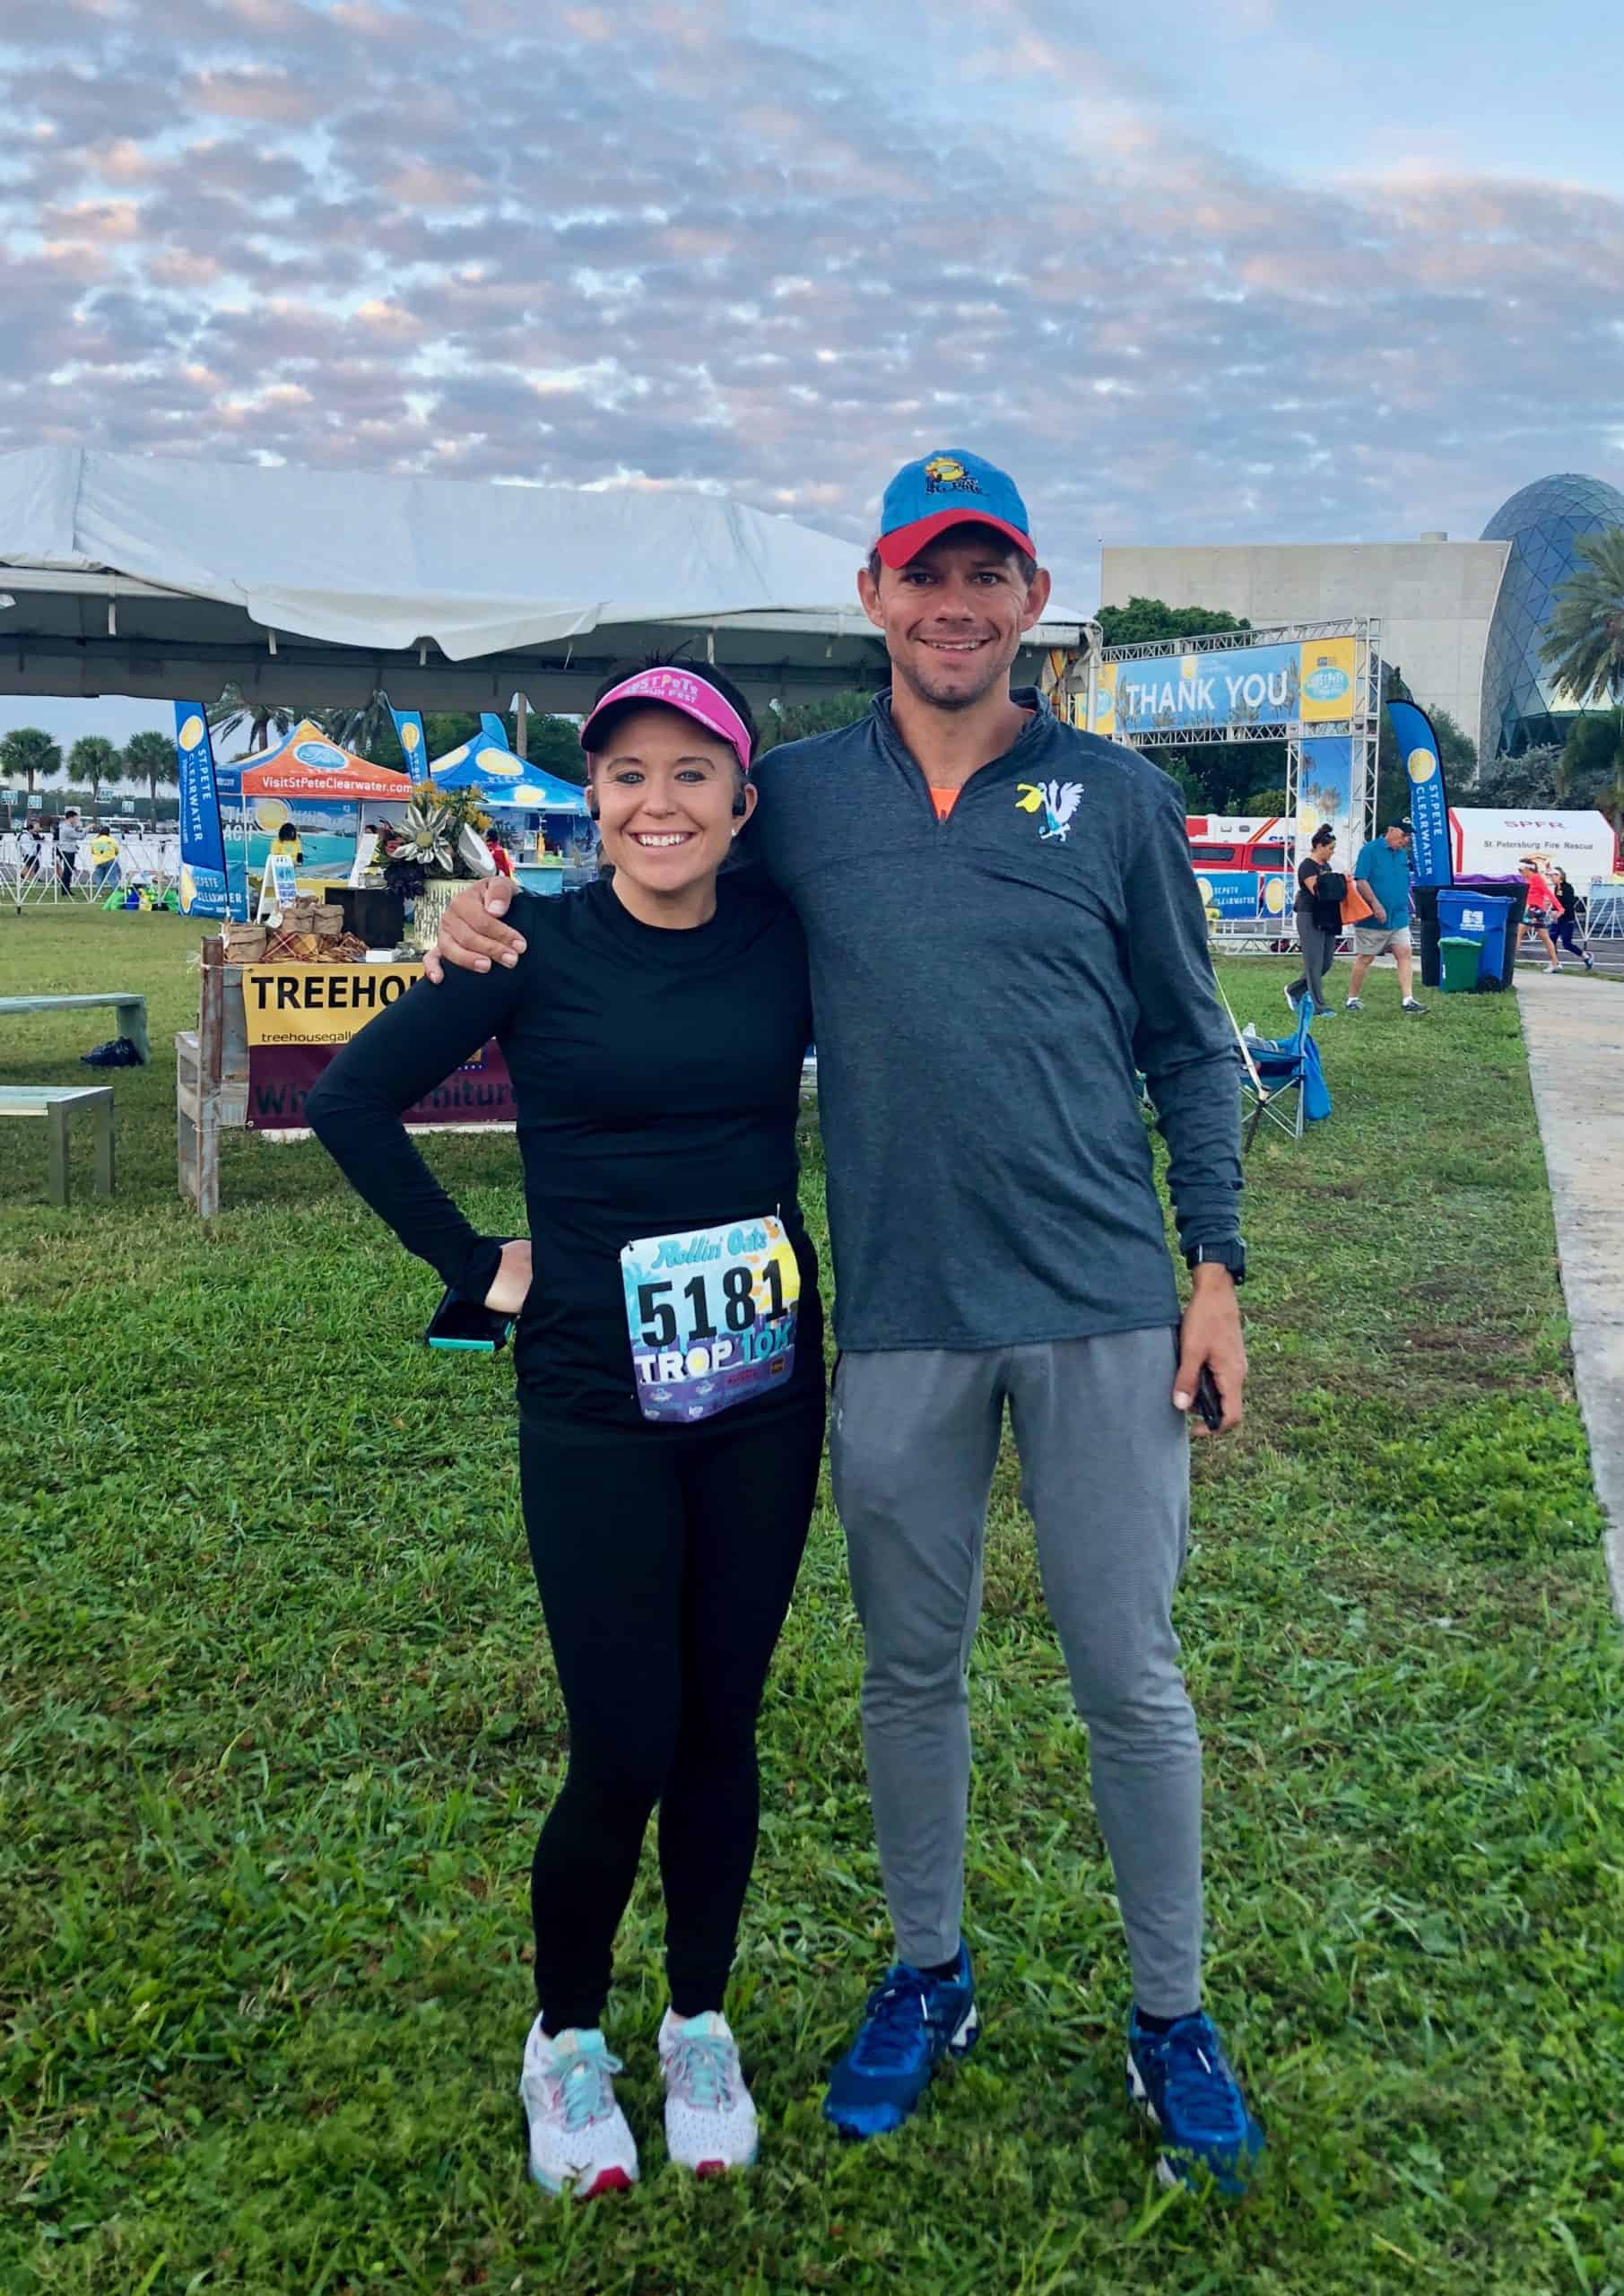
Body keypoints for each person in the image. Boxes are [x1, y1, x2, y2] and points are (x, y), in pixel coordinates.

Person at [429, 449, 1265, 2196]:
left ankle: (1169, 2012)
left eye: (987, 576)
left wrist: (1212, 1275)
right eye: (919, 574)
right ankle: (925, 1969)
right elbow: (648, 871)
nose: (952, 606)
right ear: (872, 597)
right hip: (887, 1318)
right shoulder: (791, 797)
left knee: (1125, 1674)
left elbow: (1190, 1045)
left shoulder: (1109, 799)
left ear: (1030, 599)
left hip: (1104, 1304)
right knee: (907, 1669)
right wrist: (477, 922)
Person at [306, 663, 824, 2200]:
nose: (653, 802)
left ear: (743, 801)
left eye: (688, 773)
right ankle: (569, 2038)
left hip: (765, 1395)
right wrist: (479, 1269)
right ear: (591, 799)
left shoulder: (790, 940)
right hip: (597, 1399)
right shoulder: (528, 947)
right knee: (620, 1745)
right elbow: (349, 1103)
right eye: (623, 776)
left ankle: (697, 2020)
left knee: (722, 1729)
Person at [1345, 817, 1424, 1014]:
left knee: (1404, 953)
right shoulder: (1370, 851)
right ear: (1391, 830)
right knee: (1366, 957)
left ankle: (1408, 999)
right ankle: (1352, 998)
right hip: (1373, 917)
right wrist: (1375, 904)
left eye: (1408, 836)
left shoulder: (1401, 855)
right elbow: (1361, 880)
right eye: (1403, 835)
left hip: (1398, 915)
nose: (1405, 840)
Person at [1284, 824, 1343, 1016]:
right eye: (1330, 848)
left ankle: (1294, 989)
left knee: (1326, 961)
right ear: (1319, 846)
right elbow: (1318, 891)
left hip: (1326, 917)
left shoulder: (1326, 866)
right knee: (1314, 962)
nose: (1332, 852)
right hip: (1309, 915)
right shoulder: (1307, 866)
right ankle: (1319, 1006)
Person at [1516, 857, 1563, 973]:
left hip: (1535, 910)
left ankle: (1509, 961)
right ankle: (1555, 963)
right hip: (1536, 910)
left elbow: (1548, 892)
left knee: (1518, 932)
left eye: (1521, 870)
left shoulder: (1536, 878)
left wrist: (1560, 908)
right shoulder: (1528, 879)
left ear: (1528, 869)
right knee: (1545, 938)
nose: (1520, 872)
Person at [1549, 866, 1594, 972]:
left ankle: (1586, 956)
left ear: (1559, 876)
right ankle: (1555, 963)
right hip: (1557, 919)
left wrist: (1560, 912)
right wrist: (1552, 910)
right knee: (1551, 940)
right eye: (1550, 876)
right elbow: (1557, 902)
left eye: (1552, 876)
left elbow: (1569, 904)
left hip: (1567, 919)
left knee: (1567, 943)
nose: (1551, 878)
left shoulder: (1567, 888)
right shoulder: (1557, 888)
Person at [56, 807, 85, 894]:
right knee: (67, 870)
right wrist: (87, 829)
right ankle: (65, 890)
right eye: (76, 818)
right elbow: (80, 836)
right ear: (71, 818)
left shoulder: (67, 827)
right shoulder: (67, 828)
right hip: (67, 851)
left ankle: (66, 889)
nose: (77, 820)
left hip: (69, 850)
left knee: (68, 870)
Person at [88, 824, 121, 897]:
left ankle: (98, 894)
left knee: (99, 878)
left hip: (98, 861)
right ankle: (117, 892)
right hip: (110, 860)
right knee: (112, 877)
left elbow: (92, 851)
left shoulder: (94, 841)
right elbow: (117, 851)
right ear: (108, 833)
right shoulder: (112, 840)